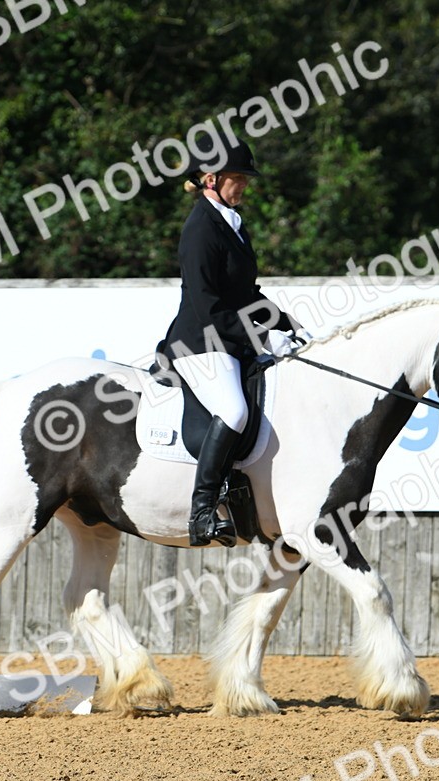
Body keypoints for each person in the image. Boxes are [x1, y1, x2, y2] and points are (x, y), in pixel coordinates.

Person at [154, 133, 302, 547]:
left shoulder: (233, 225)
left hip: (228, 341)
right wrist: (260, 336)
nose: (245, 185)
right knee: (235, 410)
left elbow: (246, 294)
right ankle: (201, 511)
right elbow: (207, 303)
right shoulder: (201, 228)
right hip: (198, 344)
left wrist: (286, 323)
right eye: (238, 177)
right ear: (211, 179)